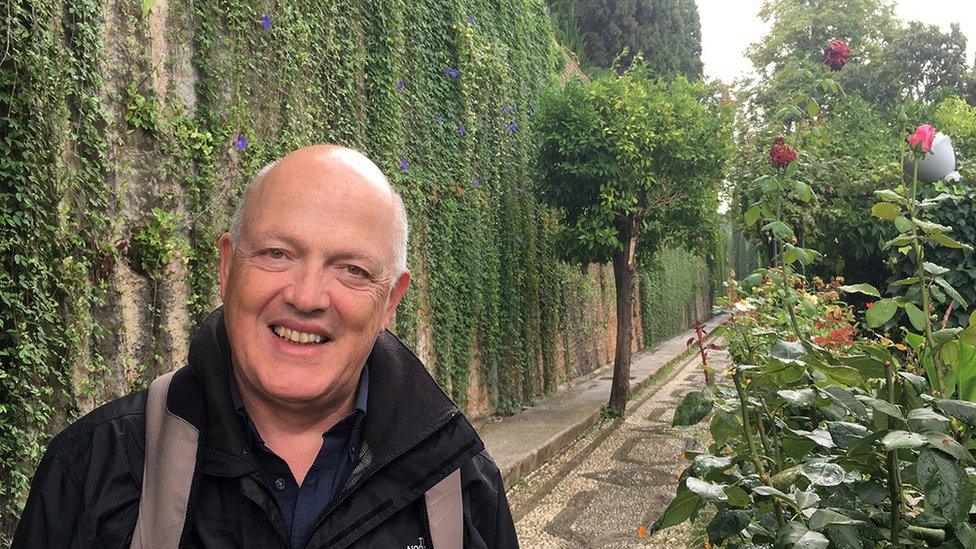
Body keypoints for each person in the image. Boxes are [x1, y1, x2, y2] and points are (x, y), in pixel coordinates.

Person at [13, 145, 518, 548]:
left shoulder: (462, 489)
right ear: (227, 266)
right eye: (277, 253)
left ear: (390, 302)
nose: (305, 296)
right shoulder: (92, 470)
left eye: (352, 270)